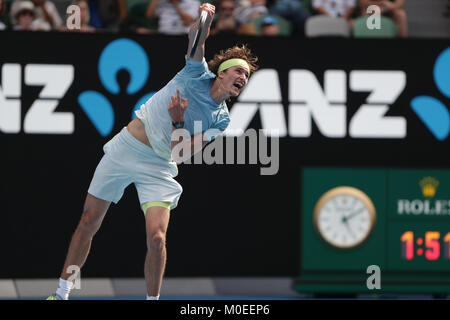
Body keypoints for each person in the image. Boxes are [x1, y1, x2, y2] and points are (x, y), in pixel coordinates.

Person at [46, 2, 258, 300]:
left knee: (157, 239)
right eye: (239, 71)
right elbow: (197, 38)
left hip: (159, 164)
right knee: (88, 221)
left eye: (246, 76)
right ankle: (62, 292)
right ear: (221, 73)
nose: (243, 78)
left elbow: (182, 153)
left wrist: (179, 121)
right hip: (126, 149)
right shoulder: (194, 74)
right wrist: (205, 16)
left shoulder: (221, 119)